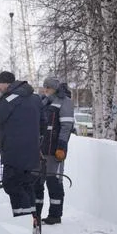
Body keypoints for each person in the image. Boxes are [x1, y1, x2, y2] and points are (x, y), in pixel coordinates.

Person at [0, 71, 46, 234]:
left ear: (6, 83)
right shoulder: (36, 98)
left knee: (12, 184)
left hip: (14, 152)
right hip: (31, 152)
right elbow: (43, 123)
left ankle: (22, 224)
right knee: (27, 185)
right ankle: (34, 221)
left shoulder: (9, 99)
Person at [35, 77, 74, 225]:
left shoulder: (65, 102)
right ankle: (36, 213)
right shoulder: (44, 101)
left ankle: (55, 215)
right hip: (42, 148)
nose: (45, 90)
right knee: (38, 181)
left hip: (55, 149)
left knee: (54, 180)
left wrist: (61, 147)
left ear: (55, 89)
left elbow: (66, 128)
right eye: (44, 88)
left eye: (48, 88)